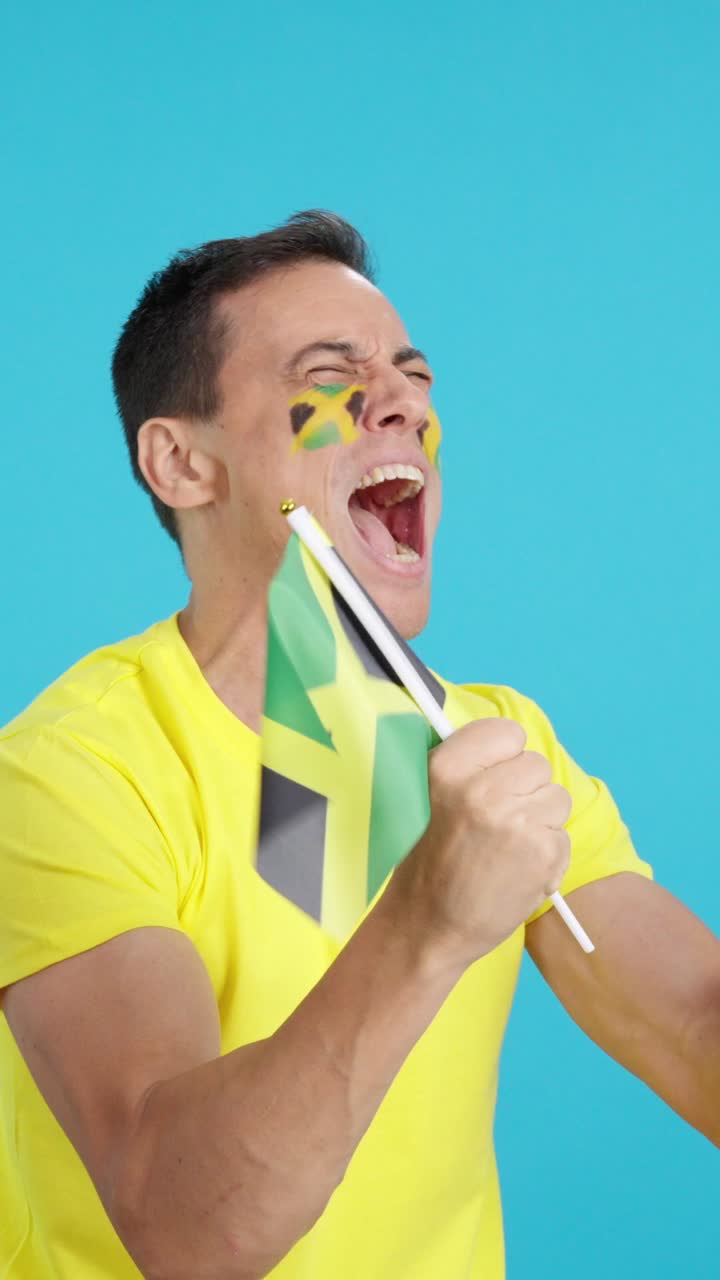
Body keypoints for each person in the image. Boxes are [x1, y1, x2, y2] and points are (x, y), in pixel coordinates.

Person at [0, 211, 717, 1280]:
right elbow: (184, 1226)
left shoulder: (496, 742)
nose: (405, 403)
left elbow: (695, 1023)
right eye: (332, 378)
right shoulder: (68, 773)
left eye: (413, 376)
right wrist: (429, 921)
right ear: (182, 462)